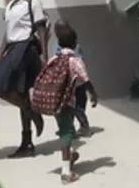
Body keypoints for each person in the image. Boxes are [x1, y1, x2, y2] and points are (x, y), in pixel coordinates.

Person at [0, 0, 48, 157]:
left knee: (0, 87)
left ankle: (32, 113)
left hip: (26, 48)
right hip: (12, 47)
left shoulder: (34, 2)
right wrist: (0, 54)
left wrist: (45, 57)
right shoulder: (10, 5)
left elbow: (41, 30)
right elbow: (8, 32)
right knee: (20, 94)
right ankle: (27, 141)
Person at [46, 20, 98, 184]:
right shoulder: (75, 60)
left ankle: (68, 158)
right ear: (74, 43)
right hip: (68, 102)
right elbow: (86, 80)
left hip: (54, 101)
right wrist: (94, 94)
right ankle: (66, 172)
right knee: (67, 133)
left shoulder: (54, 58)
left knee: (64, 131)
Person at [55, 43, 90, 135]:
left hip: (75, 84)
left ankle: (84, 127)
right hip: (74, 84)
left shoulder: (69, 52)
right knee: (71, 108)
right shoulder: (74, 50)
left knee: (77, 108)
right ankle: (72, 128)